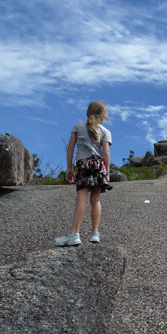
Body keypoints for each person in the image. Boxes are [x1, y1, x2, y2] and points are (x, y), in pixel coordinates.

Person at [54, 100, 113, 246]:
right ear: (103, 116)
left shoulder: (78, 126)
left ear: (88, 112)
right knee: (96, 199)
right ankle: (95, 233)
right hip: (99, 166)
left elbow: (70, 149)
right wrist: (107, 172)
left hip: (84, 165)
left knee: (82, 198)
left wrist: (69, 168)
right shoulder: (106, 132)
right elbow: (106, 152)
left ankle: (74, 234)